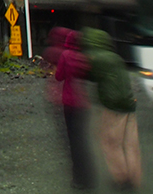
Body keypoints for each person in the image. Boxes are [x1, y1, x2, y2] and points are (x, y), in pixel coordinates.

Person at [82, 28, 142, 191]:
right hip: (129, 104)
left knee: (110, 143)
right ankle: (135, 179)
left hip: (114, 106)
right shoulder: (115, 57)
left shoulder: (97, 58)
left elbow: (90, 75)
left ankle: (122, 179)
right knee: (130, 144)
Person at [55, 30, 94, 190]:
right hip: (84, 103)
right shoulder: (84, 57)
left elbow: (59, 76)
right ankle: (90, 177)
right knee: (83, 140)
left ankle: (78, 179)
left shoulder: (66, 55)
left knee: (73, 142)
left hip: (70, 102)